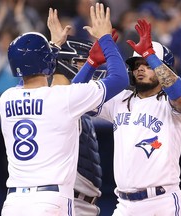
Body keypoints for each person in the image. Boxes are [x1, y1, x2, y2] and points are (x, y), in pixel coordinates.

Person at [0, 3, 129, 216]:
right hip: (51, 200)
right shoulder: (62, 98)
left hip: (14, 202)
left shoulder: (6, 99)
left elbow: (32, 76)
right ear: (47, 62)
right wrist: (105, 38)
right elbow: (119, 79)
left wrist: (54, 46)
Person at [72, 19, 181, 216]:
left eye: (147, 64)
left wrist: (151, 55)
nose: (140, 68)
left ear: (163, 68)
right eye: (137, 64)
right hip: (124, 204)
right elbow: (74, 98)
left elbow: (180, 96)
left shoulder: (169, 104)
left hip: (162, 202)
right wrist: (91, 63)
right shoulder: (120, 100)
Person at [51, 34, 118, 215]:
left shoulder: (76, 100)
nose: (91, 67)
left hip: (79, 202)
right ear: (67, 63)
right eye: (83, 62)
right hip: (65, 201)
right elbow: (119, 79)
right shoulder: (55, 100)